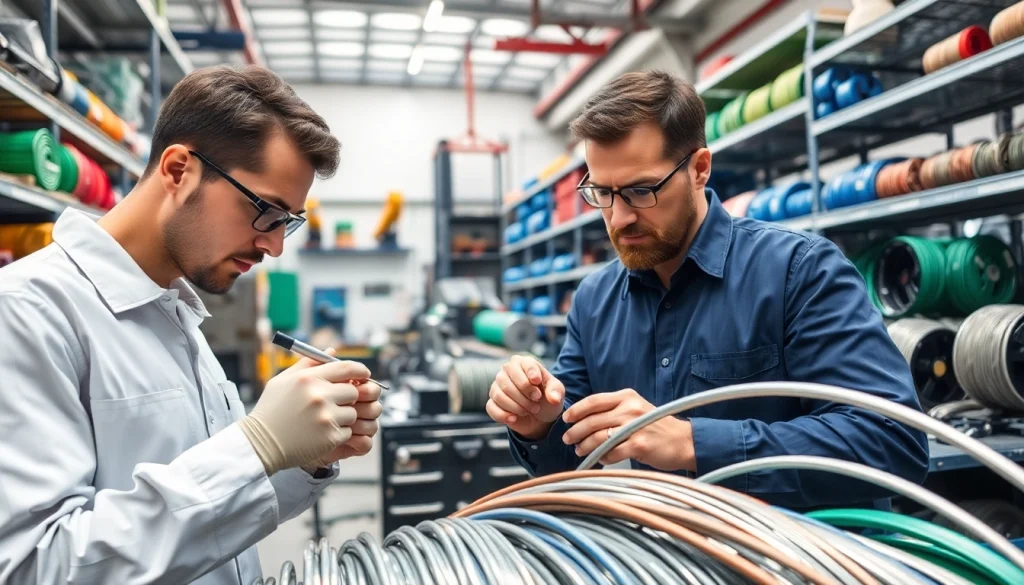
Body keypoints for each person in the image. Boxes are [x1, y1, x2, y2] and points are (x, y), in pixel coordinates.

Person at [0, 65, 382, 584]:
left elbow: (216, 519)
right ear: (179, 170)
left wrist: (301, 457)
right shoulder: (28, 312)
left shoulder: (177, 315)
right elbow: (35, 566)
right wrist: (257, 445)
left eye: (288, 222)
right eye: (266, 211)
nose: (274, 246)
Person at [487, 70, 929, 511]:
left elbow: (892, 441)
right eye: (602, 192)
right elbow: (569, 459)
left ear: (699, 169)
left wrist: (691, 442)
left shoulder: (799, 271)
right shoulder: (595, 301)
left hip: (803, 550)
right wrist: (538, 423)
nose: (619, 218)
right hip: (670, 546)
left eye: (641, 190)